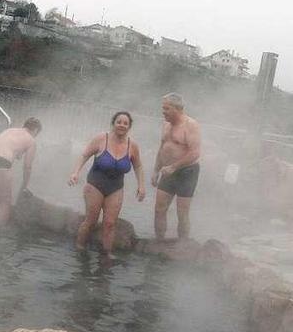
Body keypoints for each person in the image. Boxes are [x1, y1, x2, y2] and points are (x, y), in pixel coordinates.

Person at [69, 111, 145, 254]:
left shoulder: (132, 146)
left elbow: (138, 166)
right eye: (119, 122)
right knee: (91, 220)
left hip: (115, 188)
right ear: (113, 123)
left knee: (110, 224)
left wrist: (141, 186)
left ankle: (106, 255)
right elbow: (84, 155)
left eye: (125, 123)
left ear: (129, 127)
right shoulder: (101, 139)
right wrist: (75, 173)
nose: (122, 125)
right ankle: (79, 248)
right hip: (95, 185)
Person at [151, 93, 201, 240]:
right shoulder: (166, 124)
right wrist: (155, 170)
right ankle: (159, 241)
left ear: (177, 109)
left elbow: (195, 153)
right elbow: (162, 148)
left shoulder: (191, 125)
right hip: (167, 171)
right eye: (163, 108)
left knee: (182, 212)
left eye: (166, 108)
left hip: (187, 172)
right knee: (159, 209)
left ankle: (183, 245)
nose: (163, 112)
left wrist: (174, 167)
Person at [0, 117, 43, 226]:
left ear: (24, 125)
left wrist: (17, 153)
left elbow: (6, 147)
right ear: (36, 130)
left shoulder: (10, 130)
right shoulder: (31, 141)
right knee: (6, 201)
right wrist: (25, 185)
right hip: (0, 162)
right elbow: (27, 166)